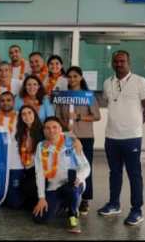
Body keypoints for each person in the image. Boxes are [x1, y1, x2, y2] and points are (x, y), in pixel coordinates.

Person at [98, 50, 145, 226]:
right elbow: (107, 101)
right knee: (114, 172)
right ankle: (114, 204)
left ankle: (137, 210)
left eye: (122, 61)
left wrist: (136, 125)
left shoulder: (140, 82)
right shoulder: (108, 83)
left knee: (134, 174)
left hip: (132, 138)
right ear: (112, 63)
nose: (119, 64)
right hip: (111, 136)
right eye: (116, 61)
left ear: (129, 63)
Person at [32, 117, 90, 234]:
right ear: (43, 130)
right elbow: (40, 173)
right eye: (47, 128)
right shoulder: (41, 146)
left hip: (72, 184)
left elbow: (86, 167)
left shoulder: (72, 143)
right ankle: (63, 205)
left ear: (60, 129)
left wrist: (79, 178)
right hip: (53, 187)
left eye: (55, 127)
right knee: (40, 218)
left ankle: (73, 216)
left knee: (71, 189)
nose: (51, 130)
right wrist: (42, 198)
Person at [55, 66, 101, 214]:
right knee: (68, 168)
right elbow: (58, 116)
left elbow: (97, 116)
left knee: (85, 168)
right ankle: (69, 198)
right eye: (69, 76)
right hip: (67, 136)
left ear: (81, 77)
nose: (72, 79)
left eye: (75, 76)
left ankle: (85, 200)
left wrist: (79, 117)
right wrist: (65, 128)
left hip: (85, 136)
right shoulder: (63, 96)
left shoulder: (88, 95)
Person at [7, 105, 45, 210]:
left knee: (29, 188)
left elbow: (61, 135)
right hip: (26, 169)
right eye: (23, 114)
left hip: (40, 169)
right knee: (16, 202)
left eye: (29, 113)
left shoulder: (43, 130)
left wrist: (75, 141)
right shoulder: (21, 132)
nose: (27, 116)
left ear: (34, 114)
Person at [0, 92, 22, 206]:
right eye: (2, 100)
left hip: (16, 164)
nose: (5, 103)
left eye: (8, 100)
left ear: (13, 102)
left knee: (14, 203)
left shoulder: (21, 118)